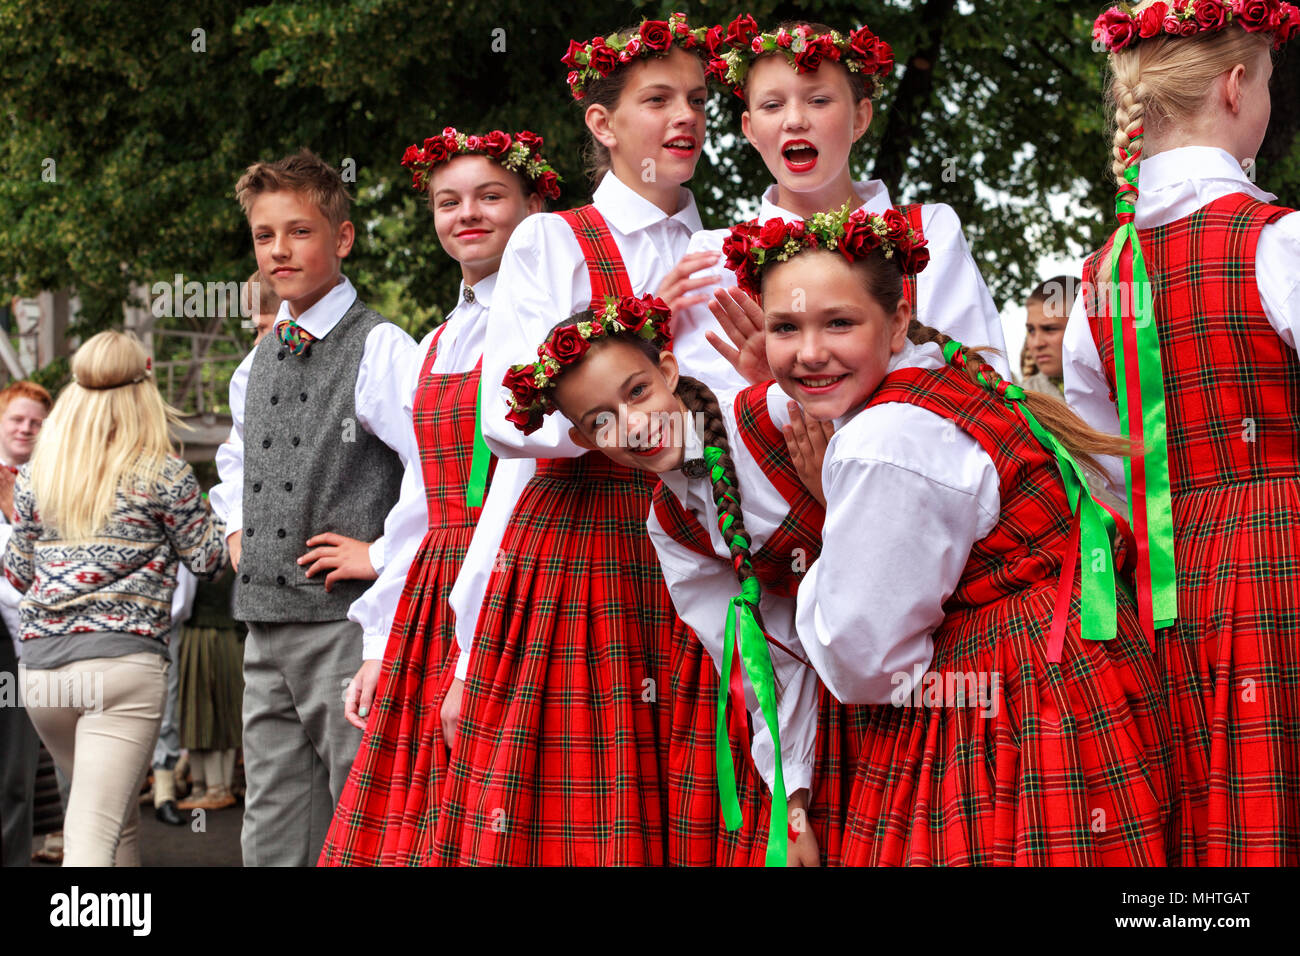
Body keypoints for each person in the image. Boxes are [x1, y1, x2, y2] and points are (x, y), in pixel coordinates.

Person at [663, 15, 1015, 865]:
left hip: (912, 561)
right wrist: (756, 385)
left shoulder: (929, 231)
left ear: (859, 114)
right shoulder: (707, 257)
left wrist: (811, 390)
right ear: (743, 125)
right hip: (773, 580)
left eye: (818, 100)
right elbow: (685, 436)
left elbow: (983, 385)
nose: (795, 122)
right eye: (771, 104)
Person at [727, 204, 1174, 864]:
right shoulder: (949, 376)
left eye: (839, 323)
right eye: (784, 328)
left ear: (898, 319)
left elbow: (865, 660)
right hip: (1081, 673)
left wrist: (828, 520)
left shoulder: (884, 440)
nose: (810, 352)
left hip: (1006, 706)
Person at [433, 14, 731, 866]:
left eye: (700, 100)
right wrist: (642, 333)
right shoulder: (552, 238)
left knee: (694, 811)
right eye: (658, 99)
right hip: (587, 552)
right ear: (603, 124)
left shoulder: (727, 245)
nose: (686, 117)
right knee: (580, 824)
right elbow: (504, 420)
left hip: (706, 543)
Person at [1067, 0, 1300, 865]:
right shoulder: (1278, 244)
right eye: (1268, 80)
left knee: (1213, 801)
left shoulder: (1096, 281)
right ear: (1236, 88)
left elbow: (1105, 477)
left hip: (1166, 578)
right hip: (1281, 556)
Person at [498, 293, 823, 866]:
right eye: (600, 421)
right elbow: (756, 660)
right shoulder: (670, 525)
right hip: (839, 687)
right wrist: (792, 798)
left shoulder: (774, 418)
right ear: (584, 442)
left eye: (638, 392)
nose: (634, 425)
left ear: (668, 371)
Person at [319, 127, 556, 866]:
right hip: (434, 588)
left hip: (524, 579)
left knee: (506, 804)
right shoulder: (434, 344)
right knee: (418, 820)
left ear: (535, 205)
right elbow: (418, 502)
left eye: (491, 196)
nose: (467, 215)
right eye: (448, 201)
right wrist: (379, 642)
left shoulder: (551, 329)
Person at [210, 148, 417, 866]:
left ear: (344, 238)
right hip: (263, 628)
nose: (279, 250)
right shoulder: (256, 359)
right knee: (271, 835)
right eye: (265, 236)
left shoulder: (383, 347)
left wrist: (381, 553)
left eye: (299, 231)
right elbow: (235, 459)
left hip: (348, 627)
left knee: (366, 826)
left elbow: (438, 473)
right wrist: (236, 529)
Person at [3, 331, 226, 866]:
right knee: (92, 838)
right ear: (142, 389)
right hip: (121, 670)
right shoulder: (164, 473)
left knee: (114, 816)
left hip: (44, 675)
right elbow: (210, 562)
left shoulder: (38, 474)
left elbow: (16, 570)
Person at [0, 380, 51, 866]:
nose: (25, 428)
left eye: (35, 422)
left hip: (27, 644)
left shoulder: (52, 482)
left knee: (15, 774)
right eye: (17, 418)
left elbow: (44, 565)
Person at [148, 566, 196, 825]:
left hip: (162, 624)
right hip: (113, 628)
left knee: (165, 705)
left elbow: (182, 596)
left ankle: (164, 792)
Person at [1022, 275, 1079, 395]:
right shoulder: (1021, 401)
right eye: (1031, 330)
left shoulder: (1122, 389)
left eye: (1050, 329)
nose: (1037, 343)